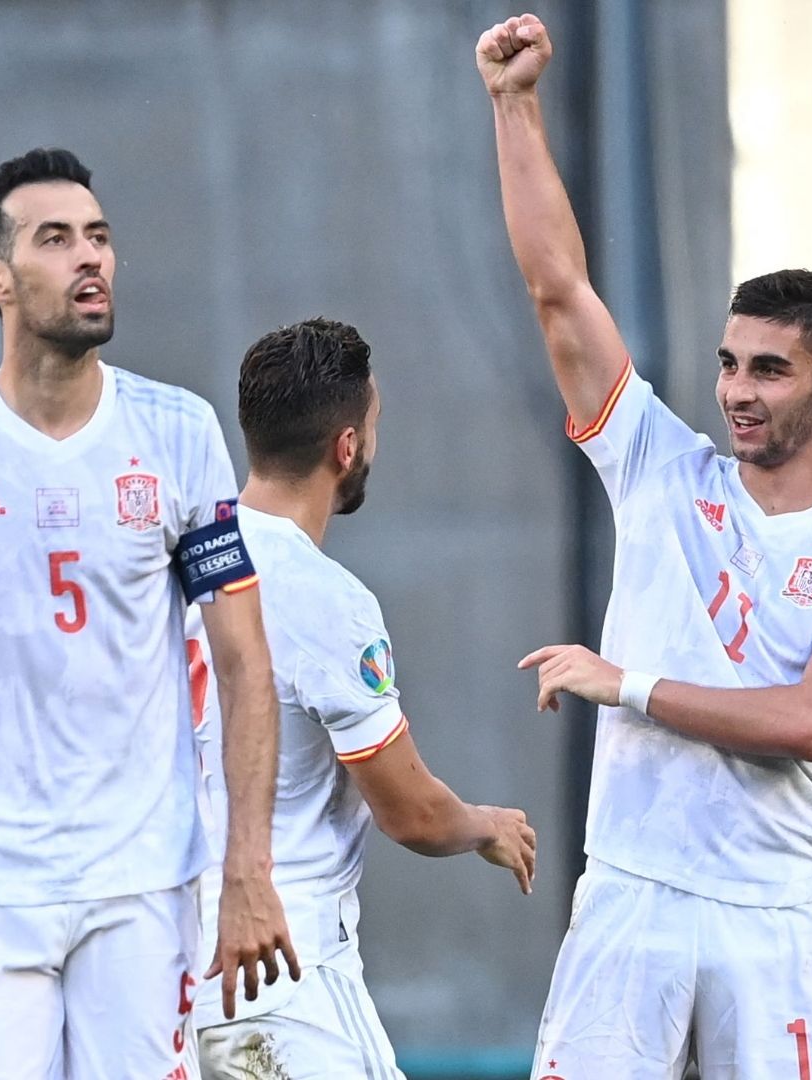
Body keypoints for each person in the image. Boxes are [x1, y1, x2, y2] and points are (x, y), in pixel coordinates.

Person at [477, 15, 812, 1078]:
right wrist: (514, 105)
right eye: (731, 363)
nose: (736, 390)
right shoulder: (661, 467)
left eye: (770, 371)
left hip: (777, 922)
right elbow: (560, 290)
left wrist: (626, 683)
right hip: (632, 895)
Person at [0, 147, 298, 1079]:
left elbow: (243, 665)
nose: (91, 259)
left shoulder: (179, 432)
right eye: (57, 239)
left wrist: (247, 870)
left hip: (142, 881)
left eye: (101, 239)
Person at [187, 318, 540, 1078]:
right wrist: (484, 826)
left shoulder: (182, 561)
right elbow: (409, 811)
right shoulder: (322, 598)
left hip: (170, 973)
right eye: (373, 426)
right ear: (346, 447)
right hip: (284, 973)